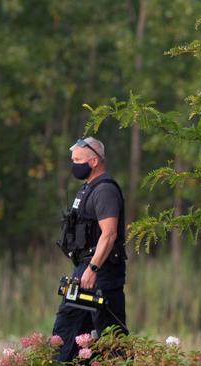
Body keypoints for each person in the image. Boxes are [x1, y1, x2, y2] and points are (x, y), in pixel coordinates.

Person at [53, 137, 128, 361]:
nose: (73, 164)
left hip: (100, 274)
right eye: (72, 159)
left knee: (111, 339)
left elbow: (110, 234)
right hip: (83, 271)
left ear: (94, 161)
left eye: (78, 160)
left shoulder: (105, 190)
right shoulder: (88, 189)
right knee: (68, 334)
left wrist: (93, 268)